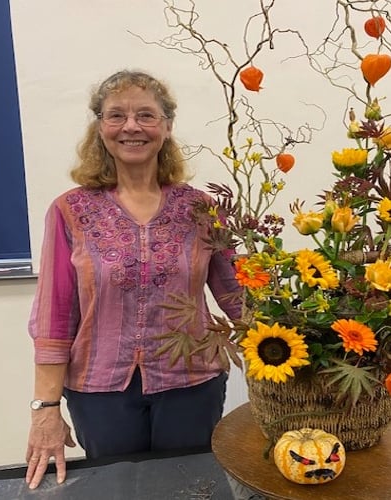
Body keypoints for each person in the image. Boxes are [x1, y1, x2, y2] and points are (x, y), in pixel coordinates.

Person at [25, 69, 243, 489]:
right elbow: (55, 317)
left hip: (192, 383)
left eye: (145, 115)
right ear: (100, 128)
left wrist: (296, 347)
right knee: (117, 491)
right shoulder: (71, 211)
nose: (131, 126)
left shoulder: (201, 209)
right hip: (99, 391)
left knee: (190, 488)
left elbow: (237, 295)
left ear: (166, 126)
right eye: (116, 116)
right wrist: (45, 409)